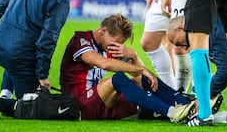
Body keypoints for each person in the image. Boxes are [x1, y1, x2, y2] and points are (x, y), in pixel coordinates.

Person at [59, 13, 196, 121]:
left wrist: (134, 56)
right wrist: (141, 70)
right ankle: (171, 112)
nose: (115, 47)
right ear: (103, 31)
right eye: (115, 42)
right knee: (118, 79)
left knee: (143, 81)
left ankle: (188, 105)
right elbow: (104, 64)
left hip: (102, 101)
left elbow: (141, 75)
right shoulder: (81, 40)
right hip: (79, 104)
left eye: (120, 44)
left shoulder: (110, 47)